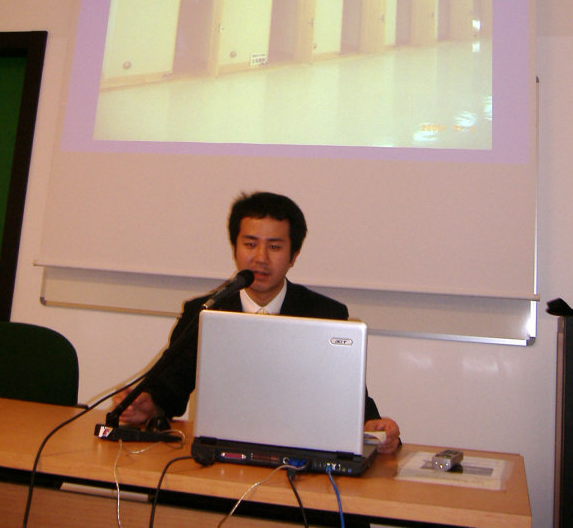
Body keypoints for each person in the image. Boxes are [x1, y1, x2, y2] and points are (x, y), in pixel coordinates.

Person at [112, 191, 401, 454]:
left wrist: (374, 427)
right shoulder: (204, 311)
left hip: (300, 462)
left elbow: (350, 402)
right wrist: (148, 405)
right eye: (250, 244)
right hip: (220, 458)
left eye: (274, 247)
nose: (260, 258)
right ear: (235, 247)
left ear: (293, 255)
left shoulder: (325, 313)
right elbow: (169, 388)